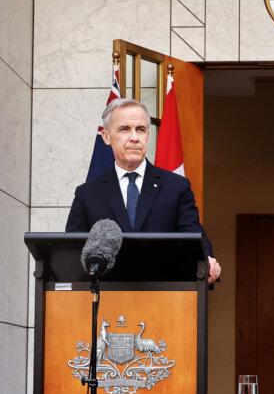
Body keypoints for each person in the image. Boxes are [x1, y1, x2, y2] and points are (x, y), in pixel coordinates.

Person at [65, 98, 221, 283]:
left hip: (164, 293)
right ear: (106, 136)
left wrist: (207, 261)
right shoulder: (87, 193)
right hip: (107, 294)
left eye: (140, 129)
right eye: (124, 129)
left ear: (148, 135)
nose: (134, 137)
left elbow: (194, 238)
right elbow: (71, 251)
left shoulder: (176, 187)